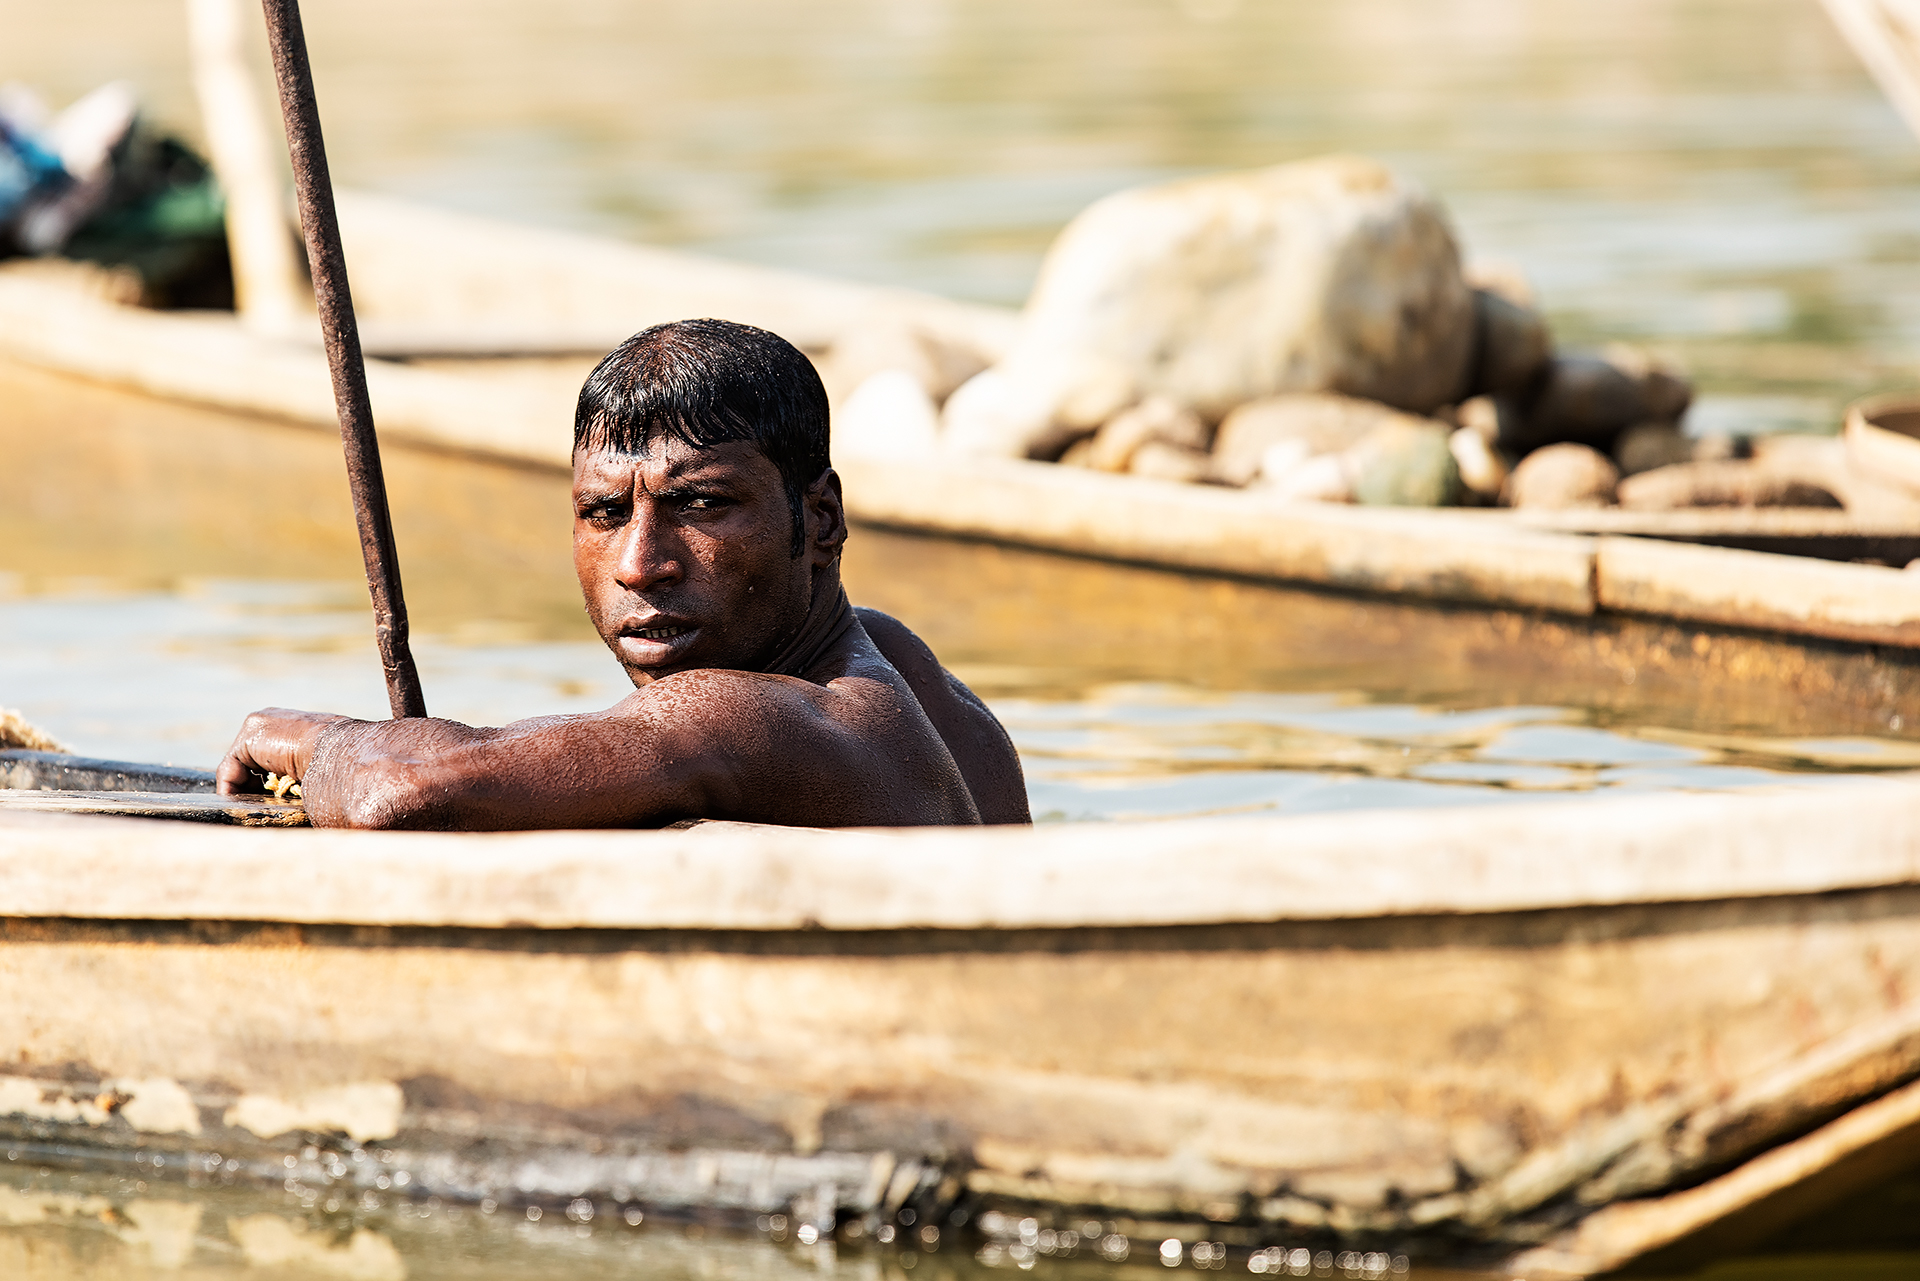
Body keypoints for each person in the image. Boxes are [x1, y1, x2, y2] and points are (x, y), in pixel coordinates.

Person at [216, 319, 1029, 829]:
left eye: (703, 505)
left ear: (818, 520)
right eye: (605, 513)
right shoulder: (899, 668)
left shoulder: (753, 714)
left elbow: (400, 790)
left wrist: (310, 739)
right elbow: (537, 750)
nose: (642, 563)